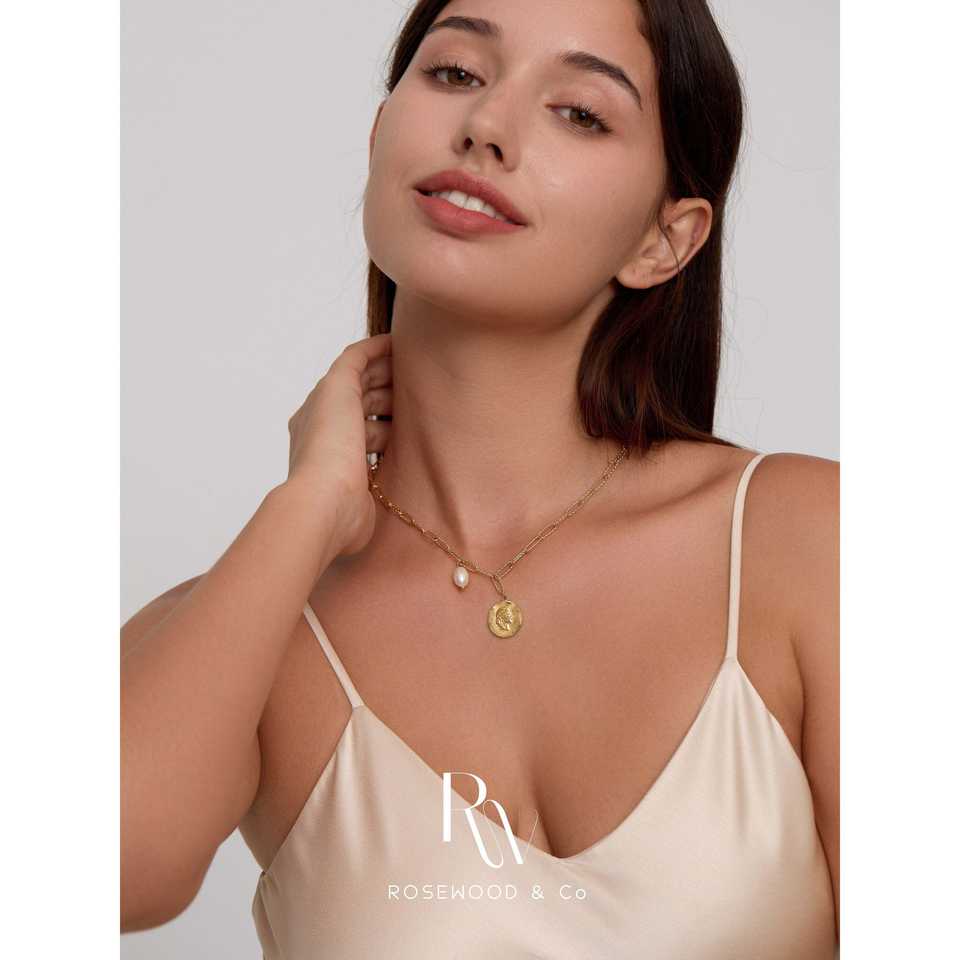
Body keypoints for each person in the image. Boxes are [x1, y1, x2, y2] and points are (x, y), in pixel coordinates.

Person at [121, 0, 839, 955]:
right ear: (380, 136)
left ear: (664, 239)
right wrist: (306, 508)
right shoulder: (254, 621)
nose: (487, 125)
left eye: (580, 113)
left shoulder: (808, 543)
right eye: (456, 73)